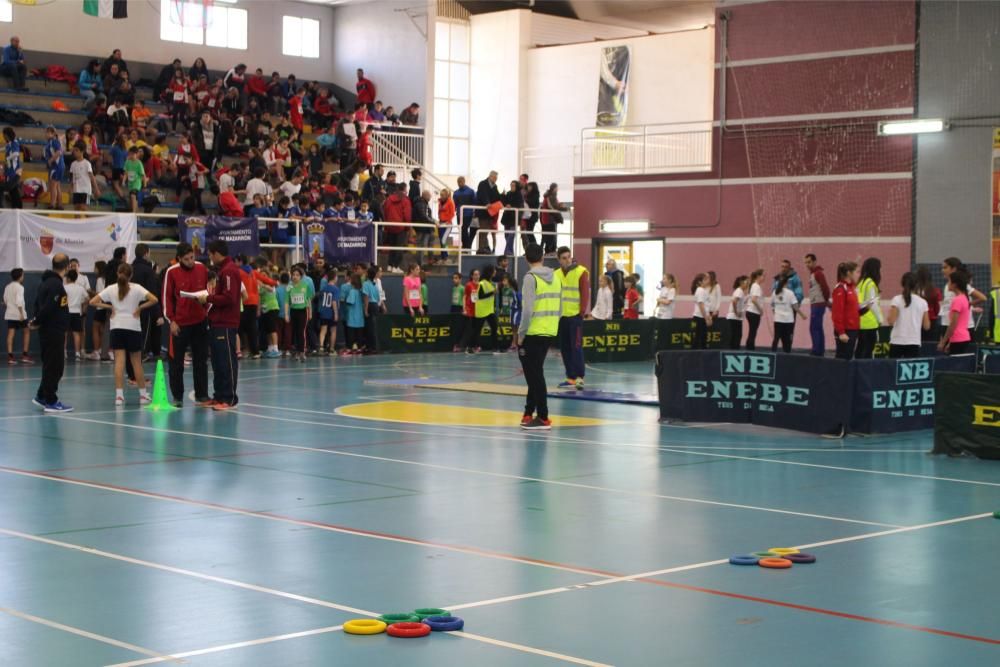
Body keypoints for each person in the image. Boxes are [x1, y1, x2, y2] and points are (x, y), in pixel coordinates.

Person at [90, 264, 157, 406]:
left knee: (119, 362)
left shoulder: (110, 289)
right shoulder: (137, 288)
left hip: (117, 328)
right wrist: (140, 307)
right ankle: (143, 396)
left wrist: (110, 307)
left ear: (117, 273)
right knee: (136, 363)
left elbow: (92, 302)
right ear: (131, 275)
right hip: (133, 328)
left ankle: (119, 396)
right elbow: (154, 299)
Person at [162, 242, 211, 407]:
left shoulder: (202, 268)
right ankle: (177, 397)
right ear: (179, 259)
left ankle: (202, 395)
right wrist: (172, 320)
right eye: (187, 259)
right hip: (180, 324)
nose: (191, 261)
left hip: (199, 322)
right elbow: (166, 298)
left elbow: (208, 292)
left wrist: (207, 311)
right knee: (176, 363)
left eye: (192, 257)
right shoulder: (171, 272)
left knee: (201, 360)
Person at [517, 245, 560, 430]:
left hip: (533, 332)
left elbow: (527, 310)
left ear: (526, 258)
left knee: (534, 376)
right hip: (549, 330)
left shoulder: (530, 278)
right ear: (542, 257)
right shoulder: (556, 277)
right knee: (535, 374)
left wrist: (521, 334)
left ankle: (542, 417)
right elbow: (560, 307)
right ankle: (528, 412)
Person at [198, 240, 241, 409]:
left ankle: (229, 398)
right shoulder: (223, 270)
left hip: (226, 322)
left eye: (210, 253)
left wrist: (207, 298)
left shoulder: (229, 271)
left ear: (216, 253)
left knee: (226, 362)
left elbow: (230, 298)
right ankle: (219, 395)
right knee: (217, 362)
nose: (209, 257)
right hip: (217, 321)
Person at [31, 254, 72, 413]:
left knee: (50, 365)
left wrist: (36, 320)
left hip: (48, 331)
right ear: (67, 266)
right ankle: (51, 400)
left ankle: (41, 396)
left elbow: (36, 305)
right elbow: (48, 308)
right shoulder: (55, 285)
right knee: (55, 367)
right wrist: (36, 321)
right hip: (53, 331)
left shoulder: (45, 283)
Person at [556, 247, 590, 389]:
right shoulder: (556, 274)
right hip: (561, 316)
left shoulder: (581, 272)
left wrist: (581, 313)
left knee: (576, 347)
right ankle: (570, 377)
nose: (567, 260)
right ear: (559, 260)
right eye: (564, 258)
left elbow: (584, 294)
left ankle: (579, 377)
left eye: (569, 257)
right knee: (564, 348)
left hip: (575, 316)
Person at [888, 272, 930, 359]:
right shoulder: (923, 302)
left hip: (897, 340)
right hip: (914, 341)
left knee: (894, 370)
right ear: (916, 285)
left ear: (902, 283)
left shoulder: (896, 299)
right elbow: (927, 326)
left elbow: (891, 321)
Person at [462, 265, 500, 354]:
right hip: (481, 310)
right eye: (494, 271)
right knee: (477, 330)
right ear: (490, 272)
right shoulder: (482, 283)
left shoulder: (491, 282)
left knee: (494, 327)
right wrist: (492, 293)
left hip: (490, 310)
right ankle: (470, 347)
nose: (495, 272)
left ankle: (495, 348)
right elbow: (480, 296)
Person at [938, 269, 973, 356]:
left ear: (955, 284)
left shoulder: (957, 300)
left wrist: (943, 341)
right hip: (962, 338)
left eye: (949, 281)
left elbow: (953, 324)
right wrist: (950, 342)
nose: (948, 283)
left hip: (958, 339)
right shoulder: (964, 298)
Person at [831, 262, 860, 360]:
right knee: (842, 359)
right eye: (857, 272)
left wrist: (865, 308)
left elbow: (853, 310)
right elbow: (837, 312)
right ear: (849, 273)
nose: (858, 274)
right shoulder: (840, 288)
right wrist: (841, 332)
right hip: (845, 331)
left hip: (853, 329)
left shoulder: (852, 288)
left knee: (848, 358)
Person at [804, 253, 831, 356]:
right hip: (816, 303)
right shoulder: (813, 274)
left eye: (809, 262)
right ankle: (820, 349)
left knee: (814, 327)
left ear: (815, 262)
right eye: (806, 262)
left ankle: (816, 350)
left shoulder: (818, 273)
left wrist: (826, 300)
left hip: (818, 304)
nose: (807, 264)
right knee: (818, 327)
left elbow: (825, 288)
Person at [855, 257, 883, 359]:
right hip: (870, 323)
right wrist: (880, 319)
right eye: (880, 268)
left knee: (860, 349)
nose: (881, 271)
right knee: (868, 352)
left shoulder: (861, 282)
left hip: (860, 321)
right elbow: (873, 304)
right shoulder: (870, 283)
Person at [4, 268, 31, 365]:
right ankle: (25, 355)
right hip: (19, 314)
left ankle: (10, 357)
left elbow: (5, 301)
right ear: (20, 276)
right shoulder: (20, 287)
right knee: (27, 331)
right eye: (23, 275)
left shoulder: (7, 287)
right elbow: (19, 302)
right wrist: (21, 314)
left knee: (11, 334)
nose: (23, 277)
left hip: (10, 314)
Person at [772, 274, 805, 353]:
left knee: (776, 338)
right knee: (787, 339)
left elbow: (773, 305)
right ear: (786, 283)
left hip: (778, 320)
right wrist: (802, 314)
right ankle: (787, 354)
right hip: (788, 321)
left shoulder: (775, 292)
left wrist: (776, 314)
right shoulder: (790, 293)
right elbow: (795, 306)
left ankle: (772, 354)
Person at [287, 267, 310, 362]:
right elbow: (286, 302)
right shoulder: (289, 287)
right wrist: (286, 314)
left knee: (301, 332)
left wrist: (310, 312)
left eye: (297, 275)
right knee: (295, 332)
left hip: (303, 311)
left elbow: (308, 300)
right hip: (293, 311)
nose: (295, 277)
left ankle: (302, 352)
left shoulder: (305, 286)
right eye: (293, 275)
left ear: (301, 276)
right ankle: (296, 351)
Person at [64, 270, 89, 361]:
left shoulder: (64, 288)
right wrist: (84, 308)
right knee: (76, 333)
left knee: (65, 333)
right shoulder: (80, 288)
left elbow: (62, 300)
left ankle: (64, 352)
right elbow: (87, 299)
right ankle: (77, 353)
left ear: (68, 278)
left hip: (66, 312)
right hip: (77, 313)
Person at [70, 146, 100, 211]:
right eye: (74, 150)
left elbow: (92, 177)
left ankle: (91, 220)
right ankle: (77, 221)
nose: (74, 152)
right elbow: (73, 178)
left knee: (83, 207)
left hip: (85, 189)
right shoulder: (73, 164)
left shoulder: (87, 163)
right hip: (76, 189)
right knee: (76, 208)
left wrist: (96, 189)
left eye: (77, 150)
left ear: (82, 152)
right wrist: (71, 188)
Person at [540, 183, 567, 256]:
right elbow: (553, 207)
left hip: (547, 219)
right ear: (554, 188)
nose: (558, 190)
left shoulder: (548, 196)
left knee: (549, 236)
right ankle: (550, 251)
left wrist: (559, 205)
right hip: (550, 219)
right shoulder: (551, 196)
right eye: (557, 188)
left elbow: (553, 206)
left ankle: (549, 250)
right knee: (551, 236)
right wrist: (565, 208)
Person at [916, 266, 942, 342]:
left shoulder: (914, 291)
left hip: (917, 320)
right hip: (932, 321)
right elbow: (938, 308)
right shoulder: (936, 291)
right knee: (930, 344)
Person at [318, 267, 340, 355]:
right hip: (331, 312)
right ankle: (331, 349)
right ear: (334, 278)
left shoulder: (324, 288)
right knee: (333, 330)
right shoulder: (335, 289)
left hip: (323, 311)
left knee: (323, 330)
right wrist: (335, 313)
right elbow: (334, 301)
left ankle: (321, 347)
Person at [453, 176, 478, 250]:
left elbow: (474, 202)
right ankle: (465, 246)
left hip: (468, 214)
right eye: (458, 182)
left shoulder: (471, 191)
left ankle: (466, 247)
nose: (459, 183)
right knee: (461, 230)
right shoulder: (456, 193)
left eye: (461, 181)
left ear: (464, 181)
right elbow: (455, 204)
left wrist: (474, 212)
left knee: (464, 229)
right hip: (459, 214)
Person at [744, 269, 765, 350]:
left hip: (750, 311)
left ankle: (749, 347)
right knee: (753, 332)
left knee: (752, 332)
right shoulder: (756, 286)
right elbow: (753, 299)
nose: (764, 278)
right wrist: (760, 310)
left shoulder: (753, 285)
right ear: (758, 276)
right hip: (754, 312)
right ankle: (750, 348)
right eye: (763, 276)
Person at [43, 126, 64, 210]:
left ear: (52, 133)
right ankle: (59, 204)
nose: (46, 134)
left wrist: (50, 161)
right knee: (57, 185)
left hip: (56, 166)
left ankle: (52, 204)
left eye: (48, 133)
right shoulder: (51, 142)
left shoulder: (53, 141)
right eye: (46, 132)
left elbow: (59, 152)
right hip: (58, 165)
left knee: (53, 185)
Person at [2, 127, 23, 209]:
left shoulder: (15, 143)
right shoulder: (9, 144)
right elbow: (5, 148)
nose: (3, 137)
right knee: (13, 191)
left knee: (13, 189)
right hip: (9, 171)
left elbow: (16, 153)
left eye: (4, 135)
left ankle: (18, 207)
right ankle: (15, 207)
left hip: (14, 171)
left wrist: (8, 158)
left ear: (7, 135)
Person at [726, 276, 749, 350]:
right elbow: (734, 301)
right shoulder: (739, 291)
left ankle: (734, 350)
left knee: (736, 336)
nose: (748, 284)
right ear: (741, 283)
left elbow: (740, 302)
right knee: (736, 336)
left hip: (736, 318)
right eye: (746, 282)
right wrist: (736, 312)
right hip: (734, 317)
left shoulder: (740, 291)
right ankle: (734, 351)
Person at [691, 273, 711, 349]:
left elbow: (706, 306)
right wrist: (706, 318)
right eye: (705, 279)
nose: (708, 281)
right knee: (698, 338)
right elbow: (701, 305)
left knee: (703, 338)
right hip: (699, 317)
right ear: (700, 282)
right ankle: (696, 356)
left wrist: (709, 317)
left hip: (702, 317)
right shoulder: (700, 290)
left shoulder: (703, 290)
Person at [124, 146, 145, 213]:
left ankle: (133, 213)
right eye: (129, 154)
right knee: (134, 199)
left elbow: (143, 175)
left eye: (132, 154)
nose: (130, 156)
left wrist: (143, 185)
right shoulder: (127, 162)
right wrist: (123, 181)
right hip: (130, 184)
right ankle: (136, 213)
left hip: (137, 183)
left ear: (136, 154)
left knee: (133, 196)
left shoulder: (139, 163)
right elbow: (126, 173)